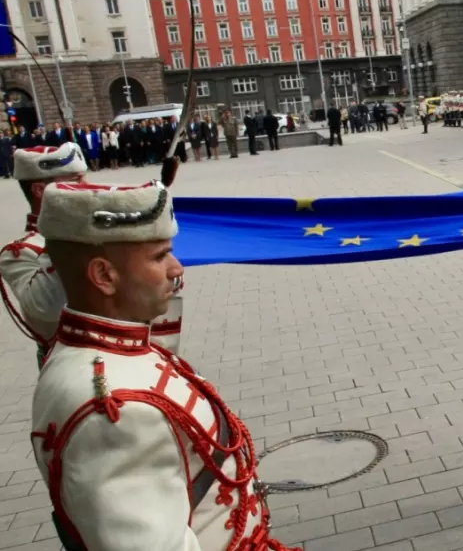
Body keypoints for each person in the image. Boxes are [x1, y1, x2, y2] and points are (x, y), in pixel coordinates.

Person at [30, 180, 296, 551]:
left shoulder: (104, 349)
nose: (177, 267)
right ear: (104, 276)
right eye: (159, 257)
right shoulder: (119, 412)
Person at [0, 143, 86, 366]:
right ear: (41, 190)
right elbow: (47, 309)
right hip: (71, 363)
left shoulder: (92, 227)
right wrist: (62, 231)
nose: (87, 186)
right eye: (75, 180)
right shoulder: (19, 252)